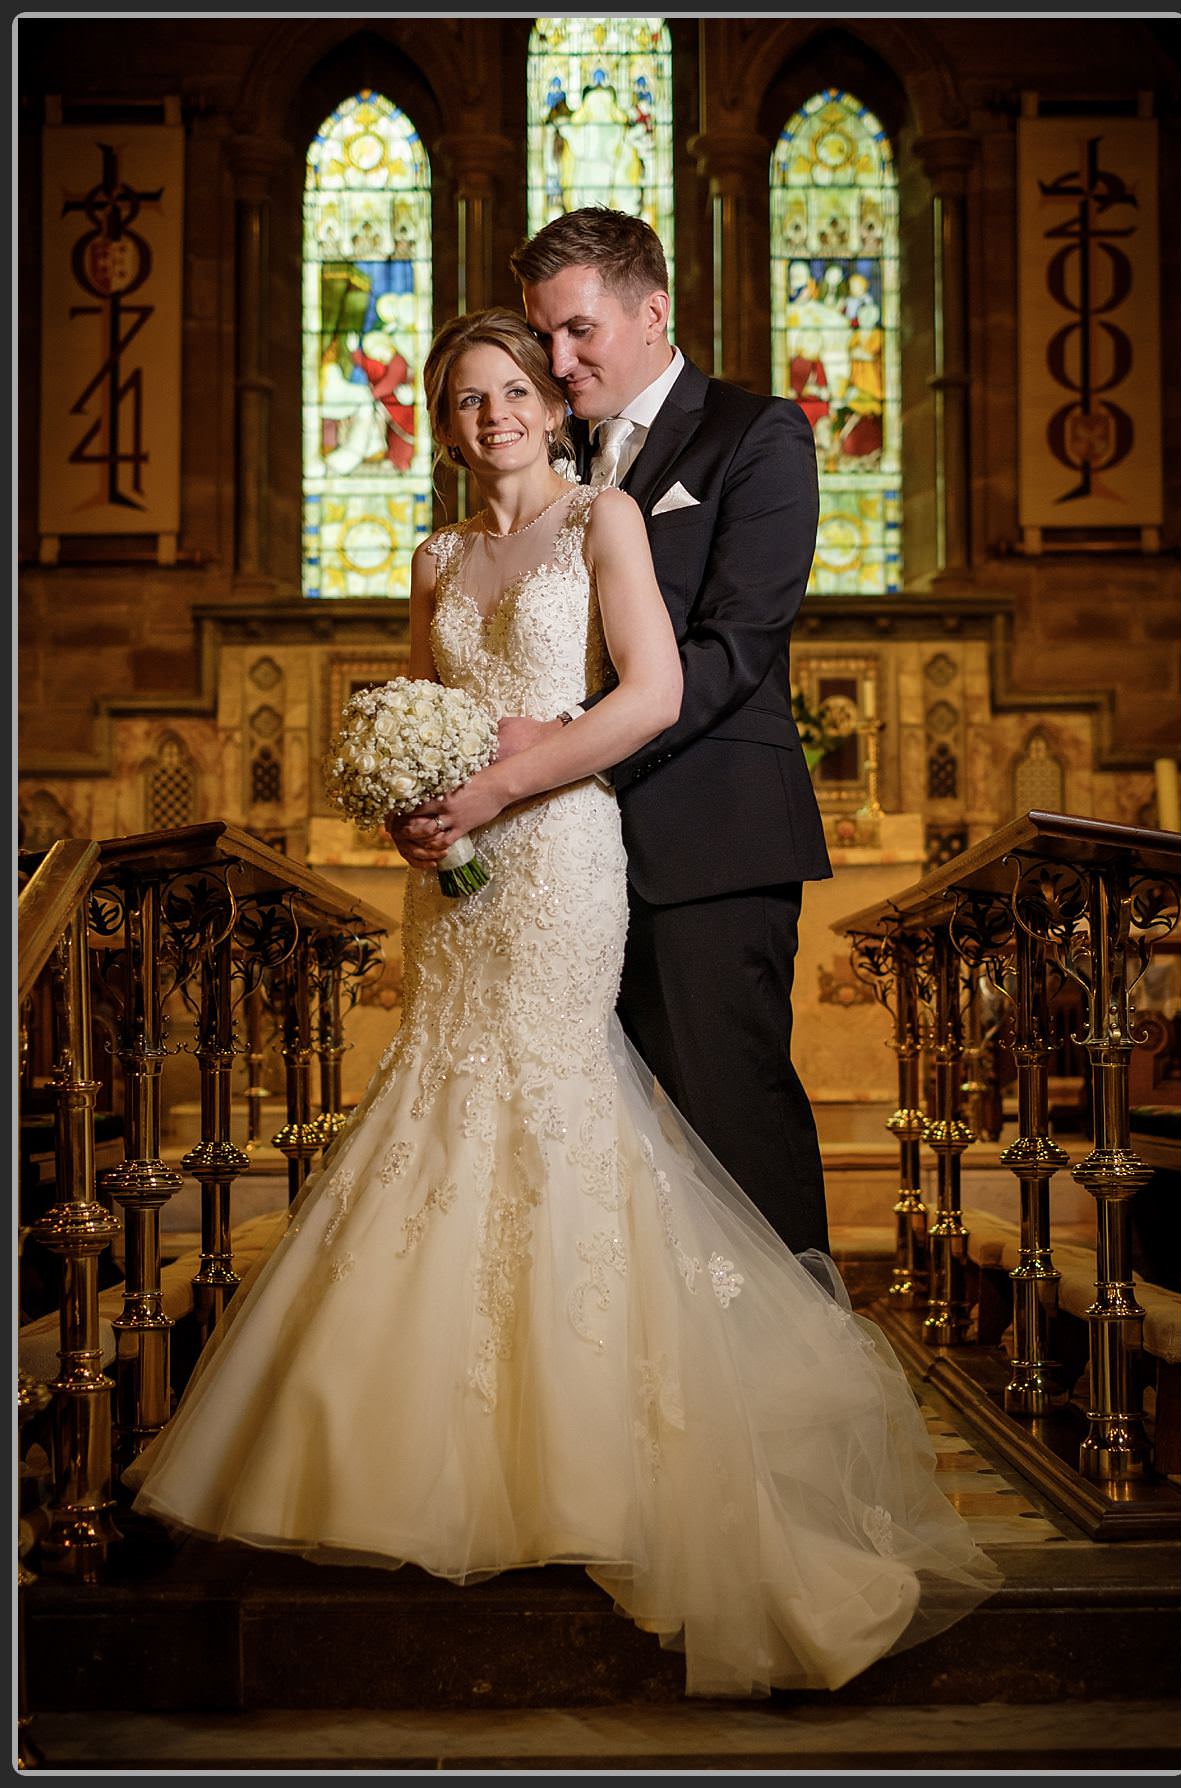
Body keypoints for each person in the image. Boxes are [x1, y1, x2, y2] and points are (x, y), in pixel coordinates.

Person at [128, 308, 999, 1695]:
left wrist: (495, 787)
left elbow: (651, 695)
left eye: (512, 392)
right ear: (444, 420)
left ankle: (591, 1455)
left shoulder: (606, 524)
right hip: (460, 874)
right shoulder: (437, 554)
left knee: (553, 1094)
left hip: (560, 855)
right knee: (440, 1099)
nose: (493, 419)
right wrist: (413, 807)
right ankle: (428, 1464)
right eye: (466, 401)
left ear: (549, 401)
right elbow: (418, 698)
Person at [398, 207, 832, 1261]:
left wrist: (552, 746)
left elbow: (737, 645)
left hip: (704, 843)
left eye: (578, 331)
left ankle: (795, 1386)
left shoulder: (753, 433)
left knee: (729, 1127)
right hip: (556, 866)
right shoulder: (544, 446)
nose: (556, 358)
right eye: (543, 336)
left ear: (652, 312)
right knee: (592, 1152)